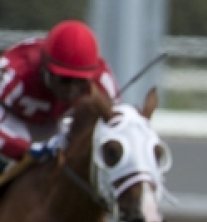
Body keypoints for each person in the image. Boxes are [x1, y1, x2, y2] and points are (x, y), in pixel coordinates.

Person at [0, 20, 118, 170]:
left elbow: (116, 127)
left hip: (59, 123)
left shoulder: (102, 81)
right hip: (12, 121)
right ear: (45, 68)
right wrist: (21, 149)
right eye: (65, 80)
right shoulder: (17, 70)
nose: (72, 90)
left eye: (81, 81)